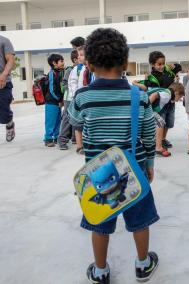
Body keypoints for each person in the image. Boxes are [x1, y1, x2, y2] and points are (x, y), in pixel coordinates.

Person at [68, 28, 159, 284]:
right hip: (135, 169)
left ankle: (100, 271)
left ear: (90, 64)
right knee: (140, 222)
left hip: (98, 175)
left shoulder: (83, 96)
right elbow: (149, 136)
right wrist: (149, 164)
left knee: (100, 224)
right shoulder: (138, 96)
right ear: (124, 61)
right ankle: (143, 264)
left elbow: (74, 120)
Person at [133, 51, 181, 150]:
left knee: (169, 122)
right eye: (159, 64)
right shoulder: (151, 77)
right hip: (159, 105)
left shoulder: (169, 72)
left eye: (163, 63)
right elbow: (146, 87)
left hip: (170, 103)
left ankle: (163, 139)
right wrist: (135, 83)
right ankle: (158, 141)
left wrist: (172, 65)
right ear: (152, 64)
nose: (162, 66)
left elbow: (179, 67)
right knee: (160, 123)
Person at [147, 82, 185, 157]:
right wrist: (146, 106)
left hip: (151, 109)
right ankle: (158, 147)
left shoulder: (168, 93)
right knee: (160, 123)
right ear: (176, 93)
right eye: (180, 97)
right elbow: (154, 95)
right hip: (148, 108)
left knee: (160, 123)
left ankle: (157, 144)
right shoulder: (167, 95)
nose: (178, 100)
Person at [57, 50, 79, 150]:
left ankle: (75, 138)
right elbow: (65, 84)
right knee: (67, 118)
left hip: (77, 97)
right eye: (81, 56)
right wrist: (72, 92)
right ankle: (62, 140)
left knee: (76, 117)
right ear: (75, 59)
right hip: (69, 98)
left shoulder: (82, 68)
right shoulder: (70, 70)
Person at [68, 46, 88, 155]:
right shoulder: (77, 69)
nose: (79, 57)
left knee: (86, 123)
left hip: (88, 99)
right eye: (78, 55)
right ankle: (79, 146)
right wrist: (74, 96)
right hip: (78, 99)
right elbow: (72, 83)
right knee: (78, 124)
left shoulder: (90, 68)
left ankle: (86, 143)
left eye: (82, 55)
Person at [44, 54, 64, 147]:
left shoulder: (59, 72)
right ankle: (48, 138)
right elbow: (52, 89)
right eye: (61, 61)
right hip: (51, 102)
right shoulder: (52, 73)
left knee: (57, 120)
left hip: (57, 101)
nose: (63, 62)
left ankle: (56, 137)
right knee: (50, 121)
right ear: (54, 63)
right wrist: (59, 99)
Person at [0, 34, 15, 142]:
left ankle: (9, 124)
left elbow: (10, 60)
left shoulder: (4, 41)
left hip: (3, 81)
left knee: (4, 110)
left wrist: (4, 75)